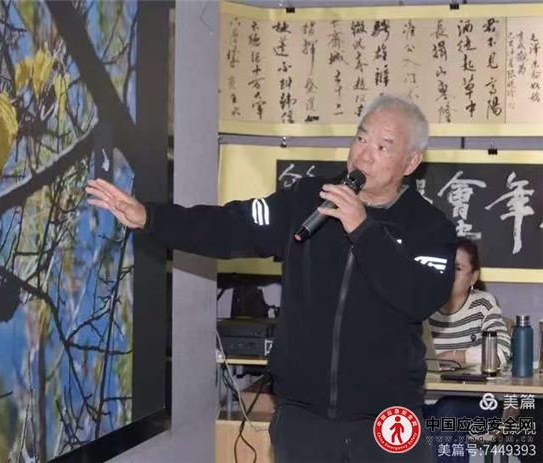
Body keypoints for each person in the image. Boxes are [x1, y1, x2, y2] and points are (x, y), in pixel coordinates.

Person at [86, 94, 456, 462]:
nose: (364, 154)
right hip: (302, 416)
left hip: (389, 418)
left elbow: (420, 297)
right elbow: (232, 225)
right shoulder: (309, 199)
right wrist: (151, 218)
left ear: (411, 162)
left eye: (382, 146)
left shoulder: (429, 227)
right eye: (361, 138)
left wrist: (363, 230)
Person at [423, 238, 510, 463]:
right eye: (445, 267)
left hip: (477, 402)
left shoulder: (483, 304)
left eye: (457, 268)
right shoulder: (422, 304)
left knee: (448, 413)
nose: (448, 274)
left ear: (473, 277)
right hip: (426, 399)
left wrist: (457, 357)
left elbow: (500, 352)